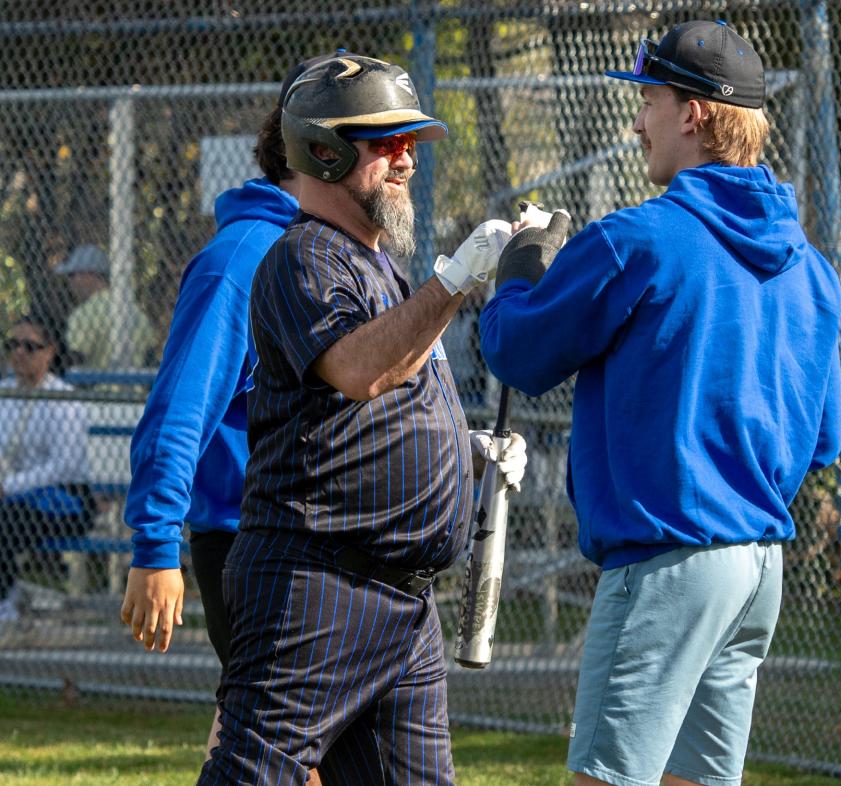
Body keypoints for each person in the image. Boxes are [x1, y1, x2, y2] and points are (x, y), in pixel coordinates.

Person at [479, 20, 841, 786]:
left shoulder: (640, 238)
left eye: (649, 98)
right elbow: (822, 441)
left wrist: (518, 273)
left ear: (695, 114)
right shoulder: (810, 267)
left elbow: (516, 351)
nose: (636, 118)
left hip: (666, 564)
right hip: (755, 571)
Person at [198, 53, 526, 785]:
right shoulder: (301, 256)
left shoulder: (379, 266)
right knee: (256, 773)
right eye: (386, 141)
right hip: (319, 584)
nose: (406, 157)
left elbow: (394, 395)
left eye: (409, 140)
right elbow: (359, 369)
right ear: (324, 147)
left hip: (404, 601)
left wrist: (464, 450)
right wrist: (455, 280)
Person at [119, 56, 325, 782]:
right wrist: (154, 547)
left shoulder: (331, 251)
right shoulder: (242, 257)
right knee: (281, 756)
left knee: (264, 749)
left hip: (315, 544)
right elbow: (182, 406)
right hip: (250, 543)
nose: (399, 162)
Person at [0, 313, 94, 622]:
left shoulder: (63, 400)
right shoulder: (5, 394)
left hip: (65, 501)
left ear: (49, 351)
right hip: (12, 495)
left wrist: (8, 487)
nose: (19, 353)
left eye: (30, 346)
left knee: (6, 520)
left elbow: (63, 467)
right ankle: (10, 594)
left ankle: (6, 604)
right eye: (12, 344)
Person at [55, 244, 155, 369]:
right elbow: (150, 356)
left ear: (89, 274)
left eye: (72, 275)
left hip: (97, 387)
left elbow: (74, 358)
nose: (70, 283)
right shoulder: (134, 310)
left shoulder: (85, 313)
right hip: (136, 387)